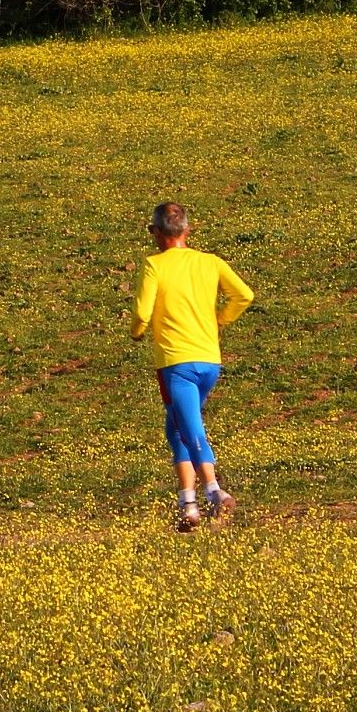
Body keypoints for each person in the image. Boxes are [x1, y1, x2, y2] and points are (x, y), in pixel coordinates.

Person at [130, 201, 254, 532]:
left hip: (176, 363)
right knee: (175, 428)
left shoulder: (154, 265)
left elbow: (142, 313)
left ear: (157, 233)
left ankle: (214, 492)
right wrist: (219, 321)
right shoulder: (210, 262)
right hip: (209, 361)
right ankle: (188, 505)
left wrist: (137, 332)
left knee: (189, 427)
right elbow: (244, 295)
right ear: (187, 230)